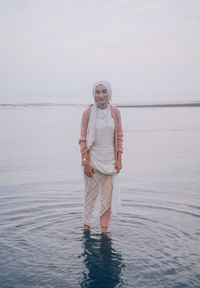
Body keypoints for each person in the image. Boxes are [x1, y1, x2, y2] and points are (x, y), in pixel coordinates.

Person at [79, 80, 123, 235]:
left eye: (104, 91)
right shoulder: (87, 113)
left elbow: (119, 136)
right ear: (94, 95)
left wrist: (119, 159)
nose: (101, 95)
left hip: (110, 163)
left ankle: (104, 232)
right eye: (98, 92)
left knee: (107, 199)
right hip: (93, 162)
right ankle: (87, 228)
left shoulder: (115, 112)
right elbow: (83, 140)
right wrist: (86, 162)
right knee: (90, 197)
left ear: (109, 93)